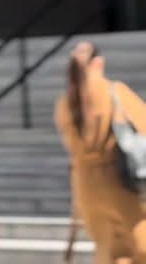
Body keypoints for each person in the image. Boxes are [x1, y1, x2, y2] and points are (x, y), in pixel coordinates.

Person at [55, 40, 146, 263]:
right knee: (140, 246)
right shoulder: (114, 91)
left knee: (108, 250)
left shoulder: (63, 104)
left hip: (85, 187)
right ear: (98, 62)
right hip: (118, 182)